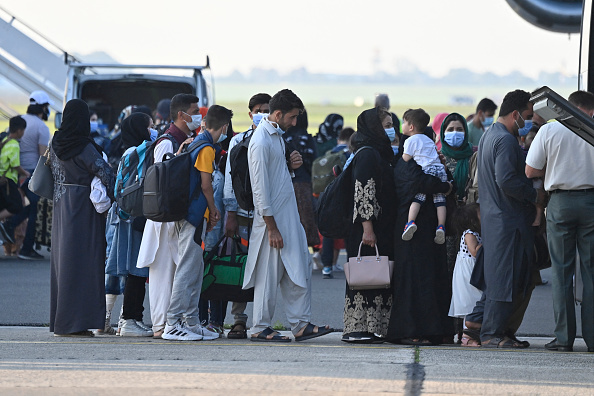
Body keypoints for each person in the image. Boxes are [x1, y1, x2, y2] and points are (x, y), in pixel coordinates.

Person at [245, 88, 331, 342]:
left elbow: (278, 179)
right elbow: (260, 189)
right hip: (271, 221)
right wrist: (271, 227)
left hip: (287, 216)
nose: (295, 123)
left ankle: (300, 324)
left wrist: (290, 167)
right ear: (279, 113)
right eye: (292, 117)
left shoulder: (277, 137)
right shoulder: (260, 141)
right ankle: (260, 327)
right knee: (268, 275)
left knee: (299, 266)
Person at [466, 89, 545, 348]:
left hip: (495, 220)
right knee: (505, 279)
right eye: (528, 116)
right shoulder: (507, 141)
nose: (529, 122)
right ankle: (492, 334)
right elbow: (507, 180)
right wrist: (533, 195)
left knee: (500, 275)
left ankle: (481, 322)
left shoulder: (490, 136)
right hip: (508, 221)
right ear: (515, 114)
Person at [525, 90, 594, 353]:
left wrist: (554, 166)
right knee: (591, 273)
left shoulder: (550, 131)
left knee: (561, 272)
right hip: (591, 203)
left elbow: (530, 170)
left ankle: (564, 338)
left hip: (561, 203)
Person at [160, 103, 231, 342]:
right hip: (193, 215)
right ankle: (173, 322)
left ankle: (190, 322)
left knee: (195, 267)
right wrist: (214, 211)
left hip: (187, 214)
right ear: (224, 126)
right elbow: (205, 184)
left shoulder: (195, 142)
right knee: (187, 268)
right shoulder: (207, 148)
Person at [136, 94, 201, 339]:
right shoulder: (168, 142)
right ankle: (161, 326)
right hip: (165, 219)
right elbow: (162, 182)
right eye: (194, 111)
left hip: (176, 217)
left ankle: (174, 323)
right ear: (182, 115)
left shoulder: (183, 139)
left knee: (177, 272)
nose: (198, 116)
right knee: (163, 273)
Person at [49, 99, 115, 337]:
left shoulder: (55, 143)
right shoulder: (83, 146)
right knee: (85, 263)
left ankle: (62, 322)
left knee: (63, 263)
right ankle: (75, 324)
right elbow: (105, 174)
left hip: (60, 205)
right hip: (82, 208)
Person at [387, 128, 454, 345]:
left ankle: (433, 330)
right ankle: (411, 330)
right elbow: (428, 184)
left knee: (431, 280)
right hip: (411, 235)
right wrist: (445, 186)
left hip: (428, 234)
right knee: (413, 282)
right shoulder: (406, 165)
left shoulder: (423, 164)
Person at [341, 107, 396, 343]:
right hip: (367, 228)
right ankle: (358, 328)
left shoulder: (380, 153)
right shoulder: (367, 155)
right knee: (367, 275)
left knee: (378, 276)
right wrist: (368, 228)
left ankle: (375, 327)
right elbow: (363, 192)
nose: (392, 130)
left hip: (380, 226)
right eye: (386, 125)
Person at [223, 93, 271, 339]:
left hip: (267, 216)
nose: (263, 113)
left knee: (265, 268)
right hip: (242, 214)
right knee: (240, 268)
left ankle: (262, 321)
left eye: (267, 109)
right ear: (250, 113)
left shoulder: (277, 140)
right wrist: (230, 213)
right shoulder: (238, 141)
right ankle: (239, 319)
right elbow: (230, 179)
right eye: (259, 109)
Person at [105, 113, 156, 337]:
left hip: (126, 216)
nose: (153, 131)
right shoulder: (138, 152)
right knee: (135, 269)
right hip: (135, 217)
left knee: (132, 269)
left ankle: (127, 318)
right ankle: (130, 320)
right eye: (150, 127)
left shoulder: (126, 152)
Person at [4, 91, 52, 259]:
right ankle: (26, 248)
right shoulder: (41, 127)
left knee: (27, 205)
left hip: (13, 172)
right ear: (43, 108)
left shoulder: (19, 121)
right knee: (35, 207)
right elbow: (42, 156)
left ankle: (11, 225)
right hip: (31, 172)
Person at [401, 109, 448, 245]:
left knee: (418, 198)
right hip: (440, 170)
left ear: (411, 127)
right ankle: (441, 226)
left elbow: (406, 158)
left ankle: (410, 222)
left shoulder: (410, 141)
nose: (402, 125)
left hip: (428, 172)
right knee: (440, 201)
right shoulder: (428, 140)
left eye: (404, 122)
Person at [319, 126, 355, 278]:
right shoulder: (348, 155)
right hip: (345, 199)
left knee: (329, 233)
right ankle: (351, 267)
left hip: (328, 197)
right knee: (349, 232)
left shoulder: (329, 153)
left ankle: (327, 266)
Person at [448, 204, 483, 346]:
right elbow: (474, 251)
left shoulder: (476, 233)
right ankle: (467, 337)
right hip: (468, 273)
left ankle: (469, 335)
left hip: (472, 270)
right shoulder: (470, 233)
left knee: (473, 301)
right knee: (470, 301)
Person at [284, 109, 319, 250]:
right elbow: (314, 163)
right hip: (305, 184)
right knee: (306, 220)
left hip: (287, 184)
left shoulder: (283, 138)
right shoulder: (307, 139)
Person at [0, 116, 29, 241]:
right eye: (23, 130)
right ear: (18, 130)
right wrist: (25, 173)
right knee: (16, 206)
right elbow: (15, 164)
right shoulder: (14, 145)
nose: (23, 133)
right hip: (8, 181)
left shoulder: (5, 140)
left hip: (1, 180)